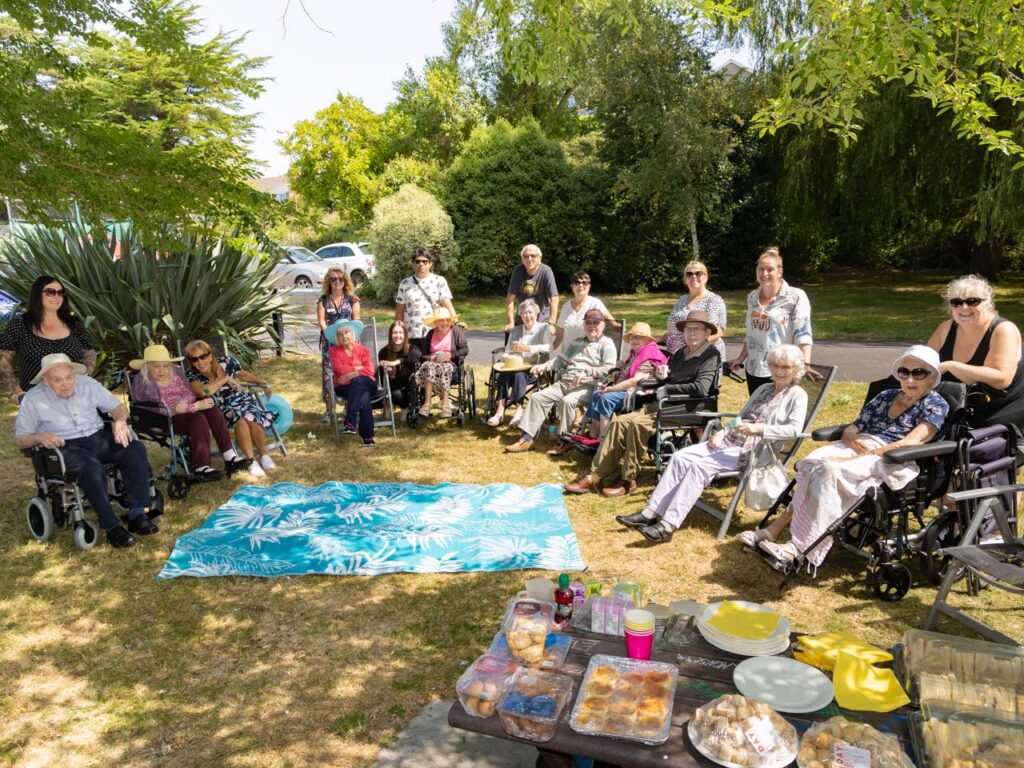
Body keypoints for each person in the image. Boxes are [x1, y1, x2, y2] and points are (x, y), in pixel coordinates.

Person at [741, 346, 949, 570]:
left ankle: (800, 547)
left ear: (932, 376)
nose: (909, 378)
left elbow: (911, 441)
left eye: (918, 373)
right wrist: (854, 442)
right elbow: (852, 428)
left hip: (892, 457)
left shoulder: (935, 405)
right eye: (903, 372)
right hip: (858, 444)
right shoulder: (886, 396)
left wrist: (862, 455)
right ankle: (776, 529)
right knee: (811, 463)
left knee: (829, 471)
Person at [617, 344, 809, 543]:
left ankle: (668, 525)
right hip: (730, 440)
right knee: (679, 457)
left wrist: (761, 429)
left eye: (785, 367)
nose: (779, 371)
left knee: (700, 466)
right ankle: (650, 513)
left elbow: (795, 430)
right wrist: (723, 432)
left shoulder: (797, 395)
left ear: (796, 369)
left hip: (755, 451)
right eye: (775, 365)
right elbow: (741, 417)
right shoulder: (763, 388)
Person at [566, 312, 721, 497]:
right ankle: (596, 475)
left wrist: (667, 388)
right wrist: (663, 378)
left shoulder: (711, 354)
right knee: (619, 422)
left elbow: (701, 388)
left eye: (696, 329)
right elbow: (669, 381)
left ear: (706, 333)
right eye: (688, 329)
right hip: (663, 405)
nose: (691, 333)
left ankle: (627, 478)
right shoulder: (680, 353)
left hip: (687, 408)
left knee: (637, 425)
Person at [15, 353, 157, 548]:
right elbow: (21, 439)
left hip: (97, 438)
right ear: (45, 381)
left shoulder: (88, 384)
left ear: (74, 374)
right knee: (90, 467)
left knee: (134, 448)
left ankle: (137, 514)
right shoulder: (33, 399)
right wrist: (39, 437)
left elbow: (116, 407)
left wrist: (121, 421)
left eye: (68, 377)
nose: (65, 383)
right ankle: (112, 527)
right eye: (57, 380)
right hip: (65, 445)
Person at [130, 344, 249, 480]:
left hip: (184, 411)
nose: (161, 370)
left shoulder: (175, 376)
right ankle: (201, 467)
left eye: (165, 366)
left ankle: (230, 457)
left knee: (212, 409)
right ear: (147, 367)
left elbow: (188, 392)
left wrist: (186, 402)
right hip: (162, 418)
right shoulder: (145, 384)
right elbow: (163, 407)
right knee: (198, 418)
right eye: (156, 366)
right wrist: (195, 407)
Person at [506, 309, 617, 454]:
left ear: (602, 325)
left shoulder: (607, 344)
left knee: (567, 401)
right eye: (588, 323)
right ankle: (527, 439)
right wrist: (544, 366)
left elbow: (609, 369)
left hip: (588, 386)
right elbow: (561, 359)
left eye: (595, 323)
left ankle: (564, 440)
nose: (592, 326)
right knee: (537, 398)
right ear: (584, 325)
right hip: (565, 382)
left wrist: (587, 372)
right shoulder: (577, 342)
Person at [925, 274, 1024, 437]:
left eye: (972, 301)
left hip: (996, 410)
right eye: (956, 302)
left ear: (987, 304)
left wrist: (951, 365)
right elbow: (923, 360)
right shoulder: (946, 328)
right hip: (957, 405)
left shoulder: (1003, 329)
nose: (963, 308)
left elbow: (1001, 379)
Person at [184, 340, 277, 477]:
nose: (200, 362)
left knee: (250, 417)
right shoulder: (191, 375)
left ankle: (264, 456)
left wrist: (260, 382)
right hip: (220, 407)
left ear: (210, 356)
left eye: (203, 356)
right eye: (194, 359)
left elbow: (243, 375)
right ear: (191, 362)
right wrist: (225, 379)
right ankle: (251, 461)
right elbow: (203, 392)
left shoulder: (227, 362)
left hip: (241, 400)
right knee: (241, 420)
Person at [728, 247, 816, 394]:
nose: (764, 273)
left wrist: (805, 364)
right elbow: (751, 333)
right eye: (761, 269)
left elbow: (803, 333)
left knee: (777, 414)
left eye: (770, 269)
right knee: (757, 413)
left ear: (780, 272)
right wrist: (741, 357)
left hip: (781, 369)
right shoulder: (752, 298)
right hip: (754, 368)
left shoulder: (795, 297)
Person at [0, 275, 98, 404]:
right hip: (35, 401)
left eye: (60, 293)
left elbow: (90, 354)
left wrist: (85, 378)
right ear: (37, 294)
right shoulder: (20, 323)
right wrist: (16, 391)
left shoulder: (74, 323)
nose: (57, 297)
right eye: (50, 292)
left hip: (74, 398)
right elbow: (3, 359)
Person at [582, 321, 667, 441]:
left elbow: (634, 381)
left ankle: (603, 439)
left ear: (647, 340)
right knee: (597, 394)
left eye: (638, 337)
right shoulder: (635, 353)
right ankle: (593, 434)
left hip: (639, 394)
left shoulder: (649, 355)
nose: (634, 340)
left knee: (606, 398)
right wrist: (622, 366)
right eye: (632, 337)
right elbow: (628, 373)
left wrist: (611, 389)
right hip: (626, 389)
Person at [487, 299, 554, 427]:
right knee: (503, 374)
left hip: (532, 367)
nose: (527, 316)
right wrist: (506, 359)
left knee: (519, 375)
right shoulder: (516, 330)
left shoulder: (543, 328)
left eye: (530, 312)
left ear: (536, 314)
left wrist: (528, 348)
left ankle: (519, 411)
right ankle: (499, 412)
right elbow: (507, 351)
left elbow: (548, 347)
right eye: (524, 313)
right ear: (520, 315)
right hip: (513, 366)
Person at [317, 266, 361, 422]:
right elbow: (322, 320)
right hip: (330, 342)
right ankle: (329, 411)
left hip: (349, 342)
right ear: (329, 281)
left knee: (349, 372)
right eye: (333, 279)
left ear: (345, 281)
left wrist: (347, 339)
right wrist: (330, 335)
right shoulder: (323, 300)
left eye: (340, 279)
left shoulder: (352, 299)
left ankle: (349, 407)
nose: (337, 282)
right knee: (329, 374)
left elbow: (356, 320)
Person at [662, 260, 728, 358]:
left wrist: (693, 350)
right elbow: (674, 330)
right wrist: (659, 338)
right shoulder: (682, 299)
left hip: (702, 356)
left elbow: (718, 331)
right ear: (685, 279)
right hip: (677, 356)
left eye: (698, 273)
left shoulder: (714, 300)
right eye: (689, 274)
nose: (693, 276)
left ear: (705, 277)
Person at [394, 247, 460, 341]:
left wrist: (456, 323)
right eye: (417, 261)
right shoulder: (404, 284)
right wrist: (397, 330)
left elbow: (447, 303)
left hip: (435, 334)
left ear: (430, 264)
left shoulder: (439, 281)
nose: (421, 264)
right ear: (412, 264)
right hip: (412, 334)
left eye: (425, 261)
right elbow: (399, 310)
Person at [414, 307, 468, 418]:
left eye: (447, 320)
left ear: (451, 321)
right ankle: (427, 403)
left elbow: (465, 350)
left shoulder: (456, 331)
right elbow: (423, 355)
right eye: (441, 320)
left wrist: (451, 355)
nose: (445, 322)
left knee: (445, 368)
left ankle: (445, 405)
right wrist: (432, 358)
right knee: (429, 366)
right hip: (432, 364)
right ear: (435, 323)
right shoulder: (430, 334)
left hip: (449, 364)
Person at [329, 322, 377, 446]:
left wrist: (350, 374)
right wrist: (359, 369)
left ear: (352, 334)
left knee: (359, 381)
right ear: (337, 337)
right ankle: (368, 437)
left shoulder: (363, 349)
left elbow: (370, 370)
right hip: (344, 387)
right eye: (340, 334)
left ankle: (350, 421)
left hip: (366, 382)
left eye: (347, 332)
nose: (344, 336)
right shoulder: (334, 351)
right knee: (363, 395)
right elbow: (339, 370)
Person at [553, 271, 617, 350]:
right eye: (577, 282)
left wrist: (619, 327)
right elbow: (561, 331)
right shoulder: (566, 306)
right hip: (566, 357)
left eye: (585, 283)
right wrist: (550, 348)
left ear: (589, 286)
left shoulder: (595, 303)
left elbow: (610, 319)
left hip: (587, 357)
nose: (581, 285)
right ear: (572, 286)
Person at [504, 244, 559, 329]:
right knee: (517, 341)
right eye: (526, 256)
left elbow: (554, 299)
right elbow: (509, 300)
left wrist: (551, 323)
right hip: (522, 319)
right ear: (522, 259)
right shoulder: (518, 271)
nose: (529, 259)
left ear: (540, 258)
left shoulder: (546, 271)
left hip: (541, 320)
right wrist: (511, 322)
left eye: (533, 256)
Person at [378, 320, 421, 411]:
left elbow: (416, 357)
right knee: (395, 394)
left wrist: (396, 362)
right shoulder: (383, 352)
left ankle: (406, 406)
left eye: (401, 332)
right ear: (390, 335)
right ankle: (391, 403)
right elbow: (381, 378)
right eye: (394, 333)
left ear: (405, 335)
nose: (398, 335)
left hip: (409, 387)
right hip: (393, 388)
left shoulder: (412, 348)